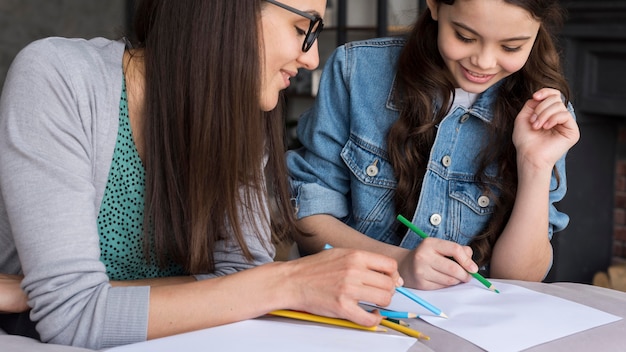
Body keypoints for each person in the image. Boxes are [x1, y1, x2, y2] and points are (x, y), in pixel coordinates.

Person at [0, 0, 403, 349]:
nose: (313, 58)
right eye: (303, 27)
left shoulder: (239, 120)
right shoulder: (58, 79)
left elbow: (240, 279)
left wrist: (64, 297)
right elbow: (73, 320)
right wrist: (287, 282)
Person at [287, 0, 580, 291]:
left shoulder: (545, 115)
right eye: (465, 37)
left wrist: (535, 165)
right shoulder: (357, 70)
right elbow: (308, 219)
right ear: (435, 6)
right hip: (351, 306)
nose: (484, 62)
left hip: (468, 326)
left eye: (511, 47)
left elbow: (519, 279)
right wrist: (400, 262)